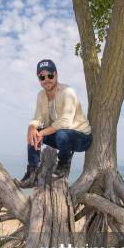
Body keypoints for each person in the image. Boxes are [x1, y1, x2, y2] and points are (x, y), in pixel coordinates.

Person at [17, 59, 92, 188]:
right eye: (42, 77)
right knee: (34, 133)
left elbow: (65, 122)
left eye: (50, 75)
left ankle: (63, 164)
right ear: (39, 78)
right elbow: (38, 118)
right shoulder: (41, 95)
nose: (46, 79)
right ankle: (32, 172)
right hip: (60, 137)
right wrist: (32, 127)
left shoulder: (68, 92)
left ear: (56, 74)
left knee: (61, 134)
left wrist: (42, 132)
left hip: (81, 138)